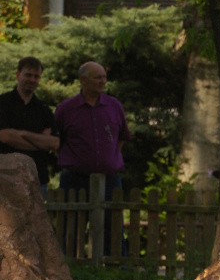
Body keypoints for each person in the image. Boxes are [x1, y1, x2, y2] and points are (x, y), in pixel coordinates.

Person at [55, 61, 132, 255]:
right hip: (75, 179)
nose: (102, 81)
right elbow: (57, 141)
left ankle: (115, 273)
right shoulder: (66, 109)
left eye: (104, 77)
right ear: (83, 80)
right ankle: (69, 271)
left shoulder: (114, 106)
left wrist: (109, 158)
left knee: (113, 227)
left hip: (110, 179)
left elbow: (122, 137)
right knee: (70, 227)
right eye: (98, 77)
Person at [0, 56, 60, 198]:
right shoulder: (2, 104)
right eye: (28, 75)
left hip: (37, 179)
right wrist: (40, 142)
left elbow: (55, 143)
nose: (32, 80)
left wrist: (22, 134)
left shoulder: (44, 110)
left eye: (36, 76)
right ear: (18, 74)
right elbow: (5, 137)